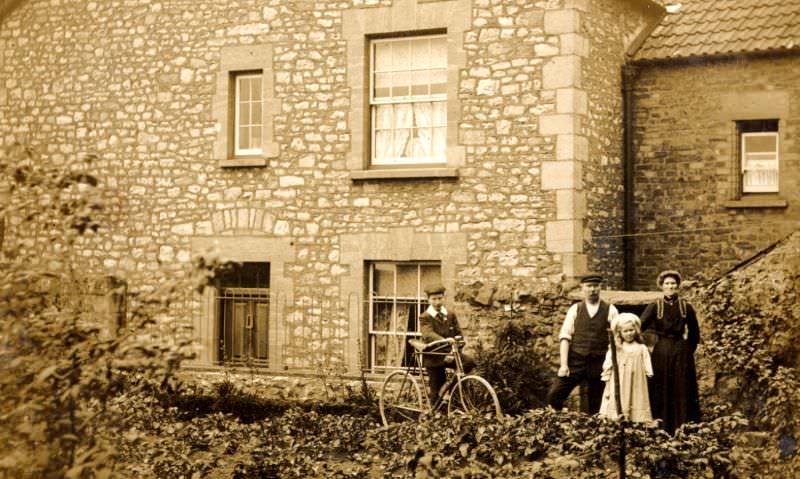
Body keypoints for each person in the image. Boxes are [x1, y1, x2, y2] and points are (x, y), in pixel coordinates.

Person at [547, 273, 620, 414]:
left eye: (595, 286)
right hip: (576, 360)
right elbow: (565, 337)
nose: (592, 289)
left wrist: (611, 363)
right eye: (589, 286)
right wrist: (564, 365)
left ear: (600, 287)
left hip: (599, 362)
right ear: (583, 288)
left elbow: (617, 339)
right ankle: (560, 420)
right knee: (554, 396)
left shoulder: (610, 309)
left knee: (597, 403)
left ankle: (593, 426)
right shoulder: (576, 309)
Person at [640, 270, 701, 434]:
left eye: (673, 283)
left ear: (678, 286)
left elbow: (695, 333)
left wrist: (686, 350)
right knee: (662, 386)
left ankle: (684, 427)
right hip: (662, 350)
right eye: (667, 283)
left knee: (682, 387)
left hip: (681, 351)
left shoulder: (686, 307)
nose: (670, 286)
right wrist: (642, 348)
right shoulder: (655, 306)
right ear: (662, 286)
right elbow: (639, 326)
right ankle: (662, 427)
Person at [419, 284, 474, 406]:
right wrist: (445, 340)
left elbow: (459, 335)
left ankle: (451, 390)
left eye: (440, 298)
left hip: (450, 354)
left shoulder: (450, 314)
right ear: (428, 300)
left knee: (468, 362)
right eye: (434, 299)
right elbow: (428, 334)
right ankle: (434, 412)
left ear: (444, 298)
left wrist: (454, 350)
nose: (437, 302)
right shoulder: (425, 317)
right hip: (434, 356)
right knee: (436, 388)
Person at [599, 313, 654, 423]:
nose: (629, 333)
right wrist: (607, 379)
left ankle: (637, 422)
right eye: (625, 331)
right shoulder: (617, 348)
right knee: (620, 401)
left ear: (636, 330)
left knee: (637, 399)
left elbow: (647, 365)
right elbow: (608, 365)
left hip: (637, 381)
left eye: (631, 330)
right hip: (621, 381)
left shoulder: (641, 348)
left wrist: (648, 372)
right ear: (620, 333)